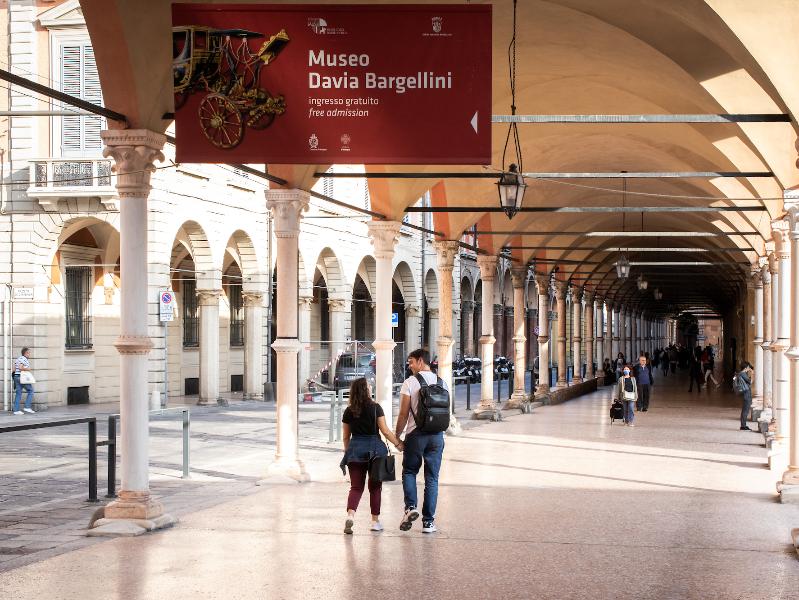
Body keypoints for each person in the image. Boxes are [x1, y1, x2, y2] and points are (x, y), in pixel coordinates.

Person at [395, 348, 448, 534]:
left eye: (410, 362)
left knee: (409, 471)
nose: (409, 366)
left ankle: (410, 508)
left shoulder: (410, 383)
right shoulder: (443, 383)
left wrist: (397, 436)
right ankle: (428, 523)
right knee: (432, 478)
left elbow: (403, 414)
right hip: (437, 436)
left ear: (420, 360)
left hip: (416, 435)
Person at [340, 377, 402, 535]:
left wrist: (349, 452)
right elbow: (385, 431)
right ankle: (375, 522)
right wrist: (398, 444)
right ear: (366, 390)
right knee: (375, 488)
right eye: (369, 386)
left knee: (356, 487)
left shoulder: (349, 411)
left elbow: (346, 436)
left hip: (355, 450)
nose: (371, 388)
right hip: (375, 451)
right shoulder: (376, 408)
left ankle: (350, 516)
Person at [12, 347, 35, 415]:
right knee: (30, 391)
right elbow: (20, 367)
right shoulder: (24, 359)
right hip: (21, 377)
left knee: (18, 393)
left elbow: (13, 369)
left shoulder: (18, 359)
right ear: (26, 353)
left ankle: (16, 410)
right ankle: (27, 407)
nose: (29, 354)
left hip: (16, 376)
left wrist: (15, 378)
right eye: (29, 353)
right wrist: (28, 369)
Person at [738, 361, 754, 431]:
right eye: (748, 367)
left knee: (745, 410)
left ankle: (743, 425)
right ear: (746, 367)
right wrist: (752, 374)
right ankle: (743, 426)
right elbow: (750, 382)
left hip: (746, 394)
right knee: (745, 410)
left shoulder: (742, 374)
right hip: (746, 394)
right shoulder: (743, 374)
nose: (749, 368)